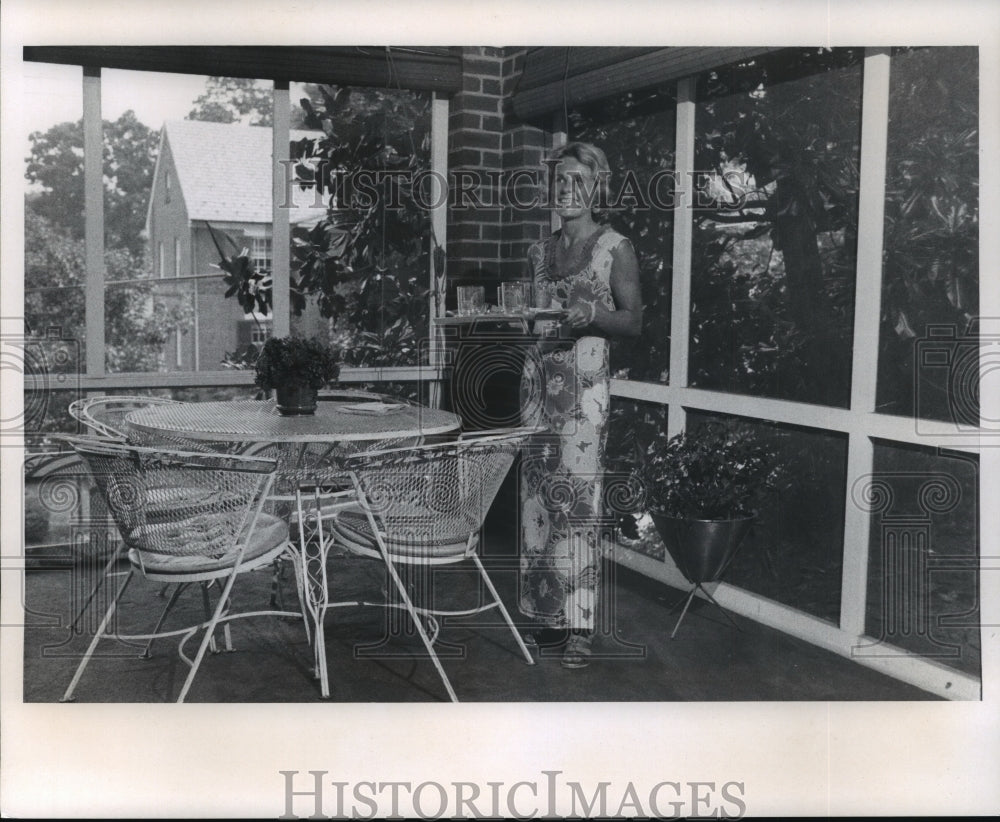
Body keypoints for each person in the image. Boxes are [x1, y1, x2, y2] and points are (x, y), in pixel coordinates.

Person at [518, 141, 643, 669]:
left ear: (598, 187)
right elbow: (532, 315)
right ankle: (545, 616)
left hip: (584, 389)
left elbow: (633, 321)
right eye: (559, 180)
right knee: (538, 504)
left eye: (578, 180)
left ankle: (580, 627)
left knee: (579, 506)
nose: (566, 190)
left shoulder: (614, 247)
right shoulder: (538, 252)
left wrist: (593, 313)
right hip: (538, 382)